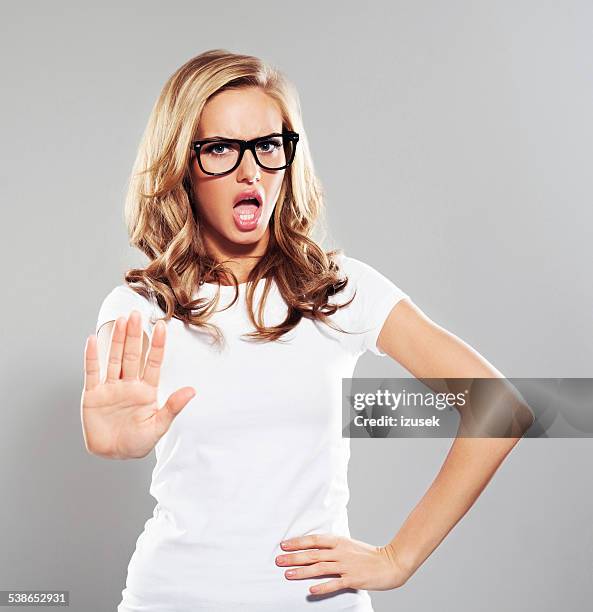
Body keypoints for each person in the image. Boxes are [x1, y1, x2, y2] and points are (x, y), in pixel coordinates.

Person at [80, 49, 532, 612]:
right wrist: (115, 445)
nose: (250, 171)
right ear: (182, 166)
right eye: (220, 148)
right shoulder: (141, 306)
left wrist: (398, 558)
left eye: (268, 147)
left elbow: (500, 408)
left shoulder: (340, 289)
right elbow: (118, 423)